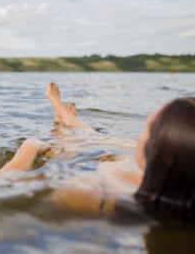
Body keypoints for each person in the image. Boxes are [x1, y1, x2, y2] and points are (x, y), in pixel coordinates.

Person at [46, 82, 195, 221]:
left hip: (91, 168)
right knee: (104, 141)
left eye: (146, 130)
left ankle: (63, 125)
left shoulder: (107, 197)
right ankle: (65, 123)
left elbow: (44, 194)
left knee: (94, 144)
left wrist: (28, 150)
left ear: (158, 154)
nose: (138, 138)